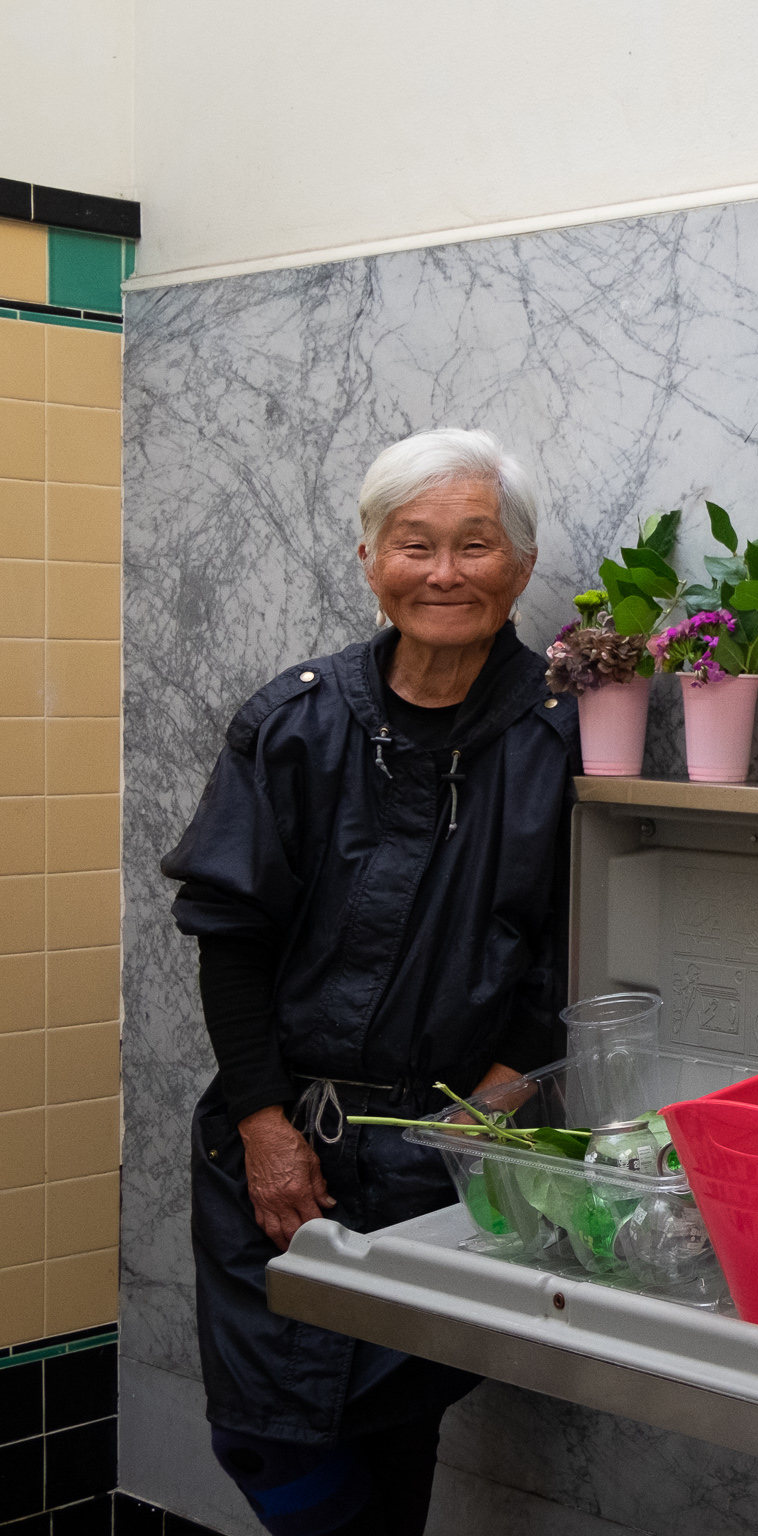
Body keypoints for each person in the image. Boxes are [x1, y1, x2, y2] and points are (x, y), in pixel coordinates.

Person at [162, 428, 580, 1535]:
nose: (443, 573)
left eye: (475, 544)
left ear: (522, 567)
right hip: (273, 1142)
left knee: (392, 1429)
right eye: (413, 544)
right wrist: (263, 1122)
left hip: (446, 1151)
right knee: (265, 1432)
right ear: (368, 560)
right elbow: (229, 934)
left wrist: (485, 1115)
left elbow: (572, 951)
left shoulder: (561, 739)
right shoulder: (292, 721)